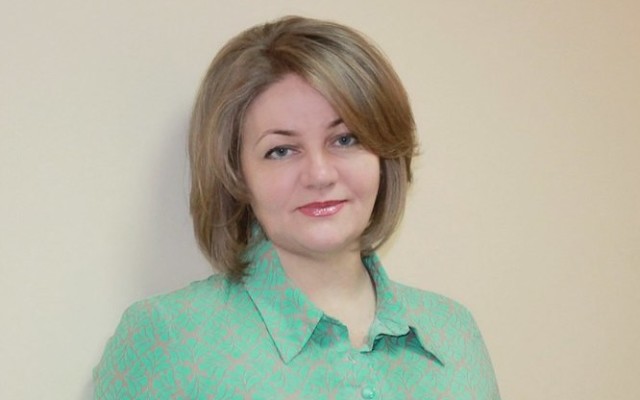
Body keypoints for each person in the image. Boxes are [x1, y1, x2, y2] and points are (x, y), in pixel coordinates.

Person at [94, 16, 501, 399]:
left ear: (384, 156)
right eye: (281, 150)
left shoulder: (454, 332)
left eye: (345, 139)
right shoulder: (169, 339)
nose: (319, 174)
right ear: (237, 174)